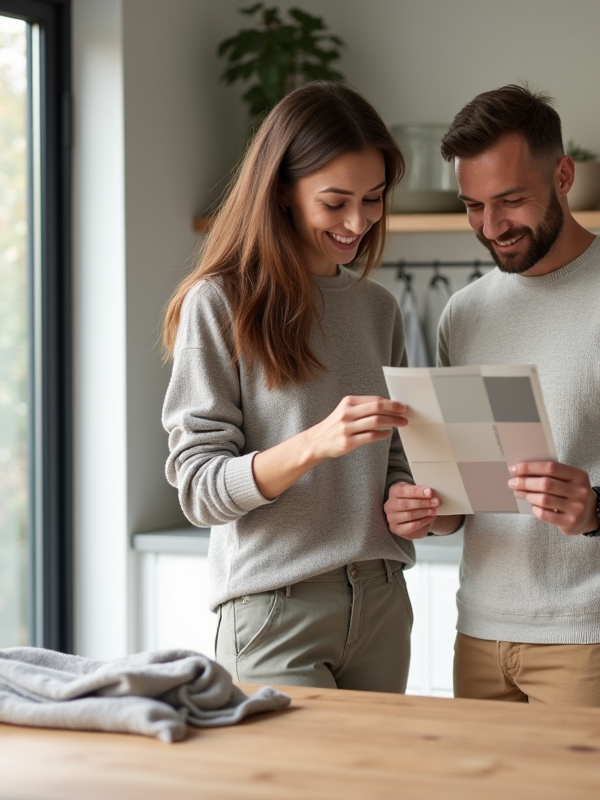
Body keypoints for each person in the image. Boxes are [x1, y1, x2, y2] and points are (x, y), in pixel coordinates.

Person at [383, 85, 600, 710]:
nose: (492, 228)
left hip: (593, 639)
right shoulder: (463, 313)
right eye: (473, 206)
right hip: (479, 632)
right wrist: (428, 511)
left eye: (511, 200)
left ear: (563, 175)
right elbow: (466, 497)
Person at [161, 81, 427, 692]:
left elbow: (394, 462)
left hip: (383, 601)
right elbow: (199, 490)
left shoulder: (378, 309)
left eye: (374, 198)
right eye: (335, 202)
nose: (358, 222)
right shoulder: (220, 303)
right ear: (281, 190)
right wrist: (314, 443)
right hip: (273, 607)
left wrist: (406, 502)